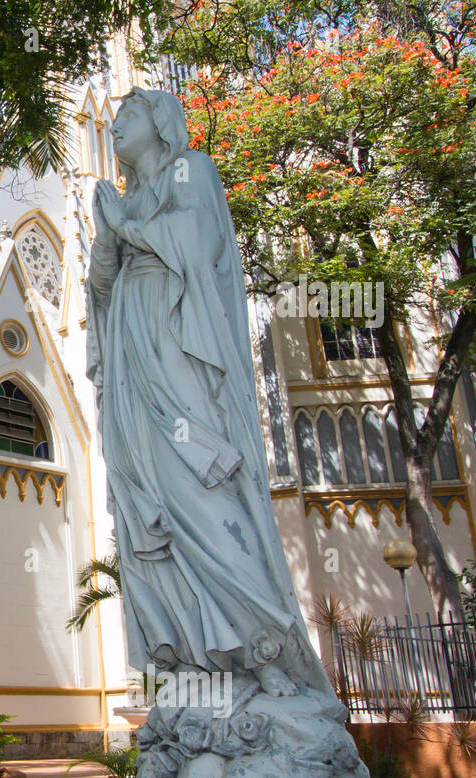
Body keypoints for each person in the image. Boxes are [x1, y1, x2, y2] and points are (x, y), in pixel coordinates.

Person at [84, 88, 333, 699]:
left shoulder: (190, 170)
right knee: (151, 496)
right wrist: (105, 237)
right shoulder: (127, 198)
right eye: (112, 121)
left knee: (200, 488)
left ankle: (264, 644)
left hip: (179, 351)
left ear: (162, 125)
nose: (114, 129)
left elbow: (200, 243)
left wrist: (127, 226)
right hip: (132, 358)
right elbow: (102, 288)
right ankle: (200, 660)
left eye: (128, 118)